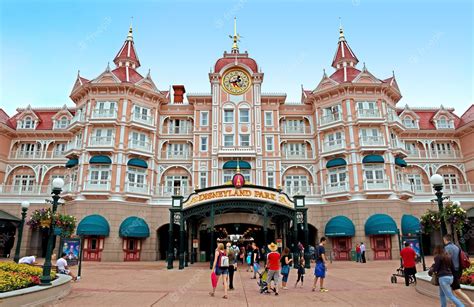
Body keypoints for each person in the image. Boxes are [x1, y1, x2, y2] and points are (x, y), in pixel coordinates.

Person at [443, 234, 474, 306]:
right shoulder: (456, 247)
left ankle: (471, 303)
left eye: (443, 240)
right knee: (452, 288)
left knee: (457, 290)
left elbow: (446, 260)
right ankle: (453, 304)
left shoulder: (447, 248)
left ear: (445, 240)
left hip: (453, 272)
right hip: (458, 270)